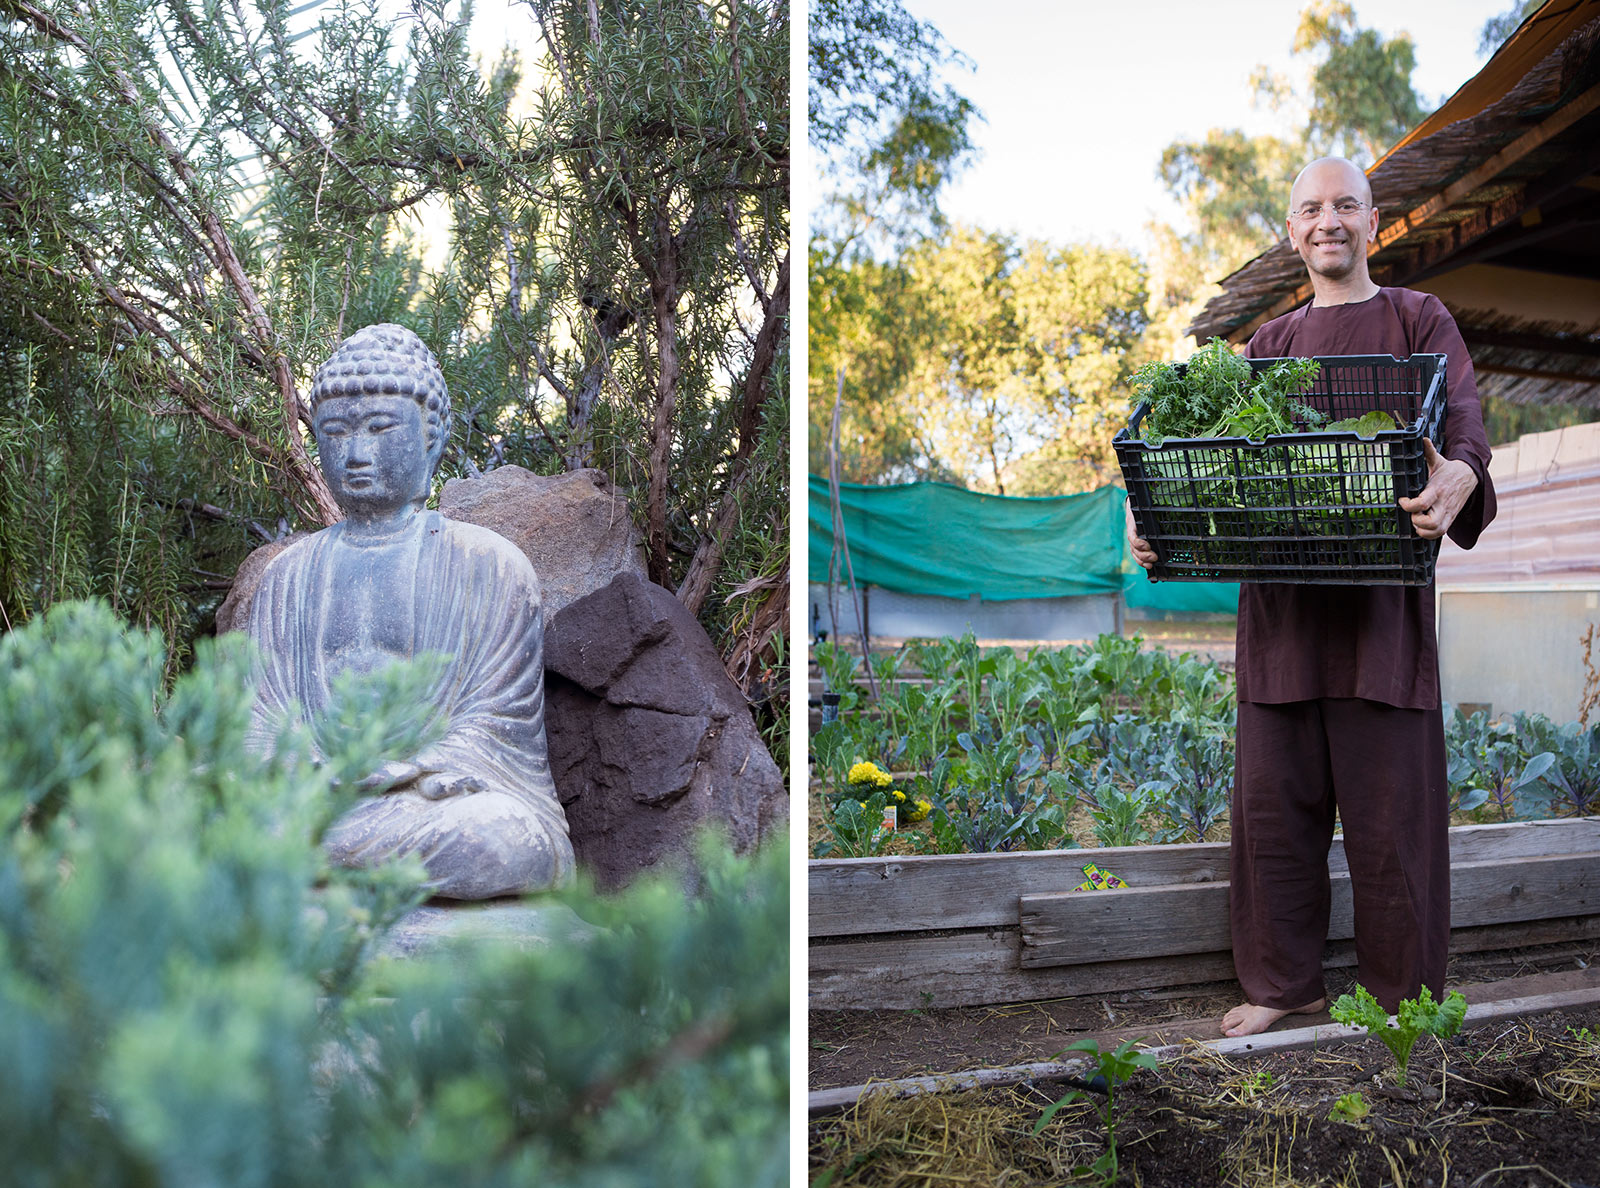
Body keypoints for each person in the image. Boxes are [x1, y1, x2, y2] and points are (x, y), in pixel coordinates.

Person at [1128, 157, 1496, 1037]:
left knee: (1392, 822)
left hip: (1384, 626)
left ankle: (1401, 1001)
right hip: (1284, 623)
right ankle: (1286, 983)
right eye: (1310, 209)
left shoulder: (1419, 320)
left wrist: (1460, 479)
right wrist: (1165, 524)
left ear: (1374, 222)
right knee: (1273, 818)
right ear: (1291, 231)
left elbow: (1467, 435)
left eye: (1344, 206)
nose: (1328, 221)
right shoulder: (1267, 348)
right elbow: (1219, 471)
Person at [246, 323, 575, 899]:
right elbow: (260, 721)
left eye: (380, 428)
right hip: (316, 795)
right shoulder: (288, 577)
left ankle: (317, 870)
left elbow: (499, 727)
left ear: (432, 435)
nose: (356, 453)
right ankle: (334, 865)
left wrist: (408, 769)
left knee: (499, 839)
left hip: (433, 802)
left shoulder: (491, 566)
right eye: (335, 432)